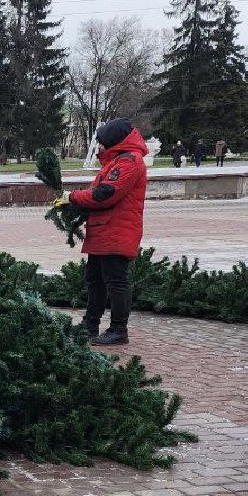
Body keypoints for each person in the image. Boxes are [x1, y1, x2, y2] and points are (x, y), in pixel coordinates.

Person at [58, 117, 147, 347]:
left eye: (101, 142)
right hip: (103, 230)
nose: (98, 147)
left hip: (117, 230)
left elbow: (105, 194)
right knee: (95, 281)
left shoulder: (129, 161)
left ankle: (119, 329)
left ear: (113, 140)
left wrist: (73, 197)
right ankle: (90, 325)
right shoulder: (116, 161)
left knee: (116, 281)